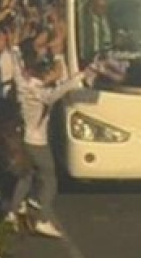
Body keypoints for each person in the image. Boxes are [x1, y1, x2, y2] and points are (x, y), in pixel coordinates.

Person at [11, 50, 93, 238]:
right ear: (44, 73)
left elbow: (17, 71)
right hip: (37, 142)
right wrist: (80, 76)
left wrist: (15, 50)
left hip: (23, 138)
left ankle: (13, 210)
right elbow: (58, 92)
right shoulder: (41, 93)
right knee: (49, 178)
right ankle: (42, 217)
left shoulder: (23, 86)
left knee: (26, 175)